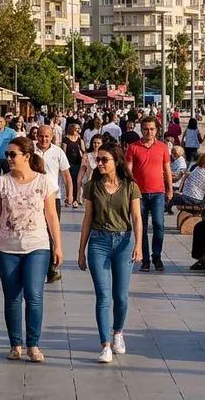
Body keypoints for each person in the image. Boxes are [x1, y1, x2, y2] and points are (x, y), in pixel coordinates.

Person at [0, 136, 61, 363]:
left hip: (38, 246)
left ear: (26, 156)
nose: (8, 158)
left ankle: (33, 344)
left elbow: (51, 216)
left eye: (12, 155)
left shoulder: (44, 182)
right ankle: (16, 344)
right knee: (12, 297)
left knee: (34, 295)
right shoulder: (2, 182)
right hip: (6, 248)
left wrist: (58, 246)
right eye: (7, 154)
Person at [77, 141, 143, 364]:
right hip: (98, 242)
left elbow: (136, 217)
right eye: (98, 159)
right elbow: (87, 218)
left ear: (117, 161)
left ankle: (118, 333)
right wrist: (81, 250)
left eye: (105, 159)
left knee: (121, 296)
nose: (100, 163)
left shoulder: (130, 186)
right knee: (103, 296)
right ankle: (105, 344)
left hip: (124, 242)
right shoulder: (92, 186)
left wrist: (139, 245)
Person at [126, 117, 172, 273]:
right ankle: (145, 259)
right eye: (146, 129)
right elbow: (128, 171)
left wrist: (169, 189)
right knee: (142, 227)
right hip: (139, 194)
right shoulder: (133, 148)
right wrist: (128, 191)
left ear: (157, 130)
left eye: (152, 129)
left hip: (158, 192)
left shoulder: (163, 147)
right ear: (141, 129)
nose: (149, 132)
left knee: (159, 224)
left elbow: (167, 170)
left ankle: (157, 256)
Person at [35, 125, 72, 283]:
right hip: (34, 197)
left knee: (51, 232)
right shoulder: (30, 151)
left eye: (47, 137)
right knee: (36, 232)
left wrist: (70, 194)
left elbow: (66, 175)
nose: (44, 139)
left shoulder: (58, 152)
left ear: (52, 137)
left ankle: (51, 268)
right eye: (41, 136)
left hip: (53, 197)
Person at [61, 123, 86, 208]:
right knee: (68, 181)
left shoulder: (79, 140)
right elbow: (63, 152)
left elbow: (83, 150)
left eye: (78, 129)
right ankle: (69, 197)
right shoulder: (65, 140)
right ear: (71, 129)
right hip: (68, 163)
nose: (77, 131)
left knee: (76, 181)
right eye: (75, 129)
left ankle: (75, 199)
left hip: (77, 163)